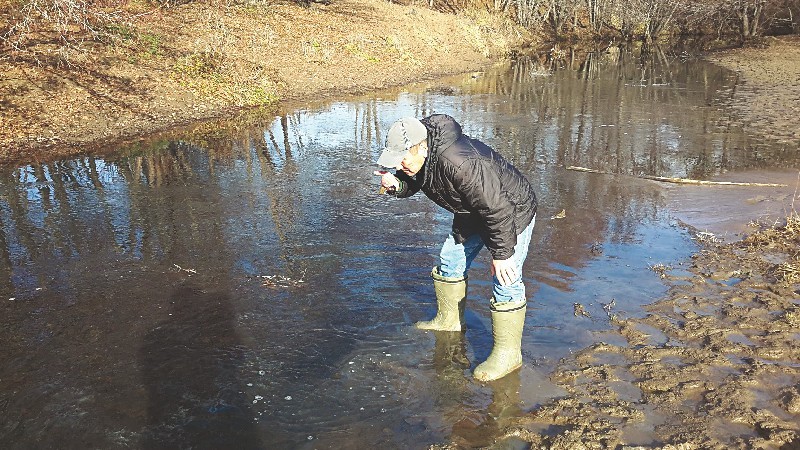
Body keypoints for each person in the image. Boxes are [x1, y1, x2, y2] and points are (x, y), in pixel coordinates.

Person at [374, 114, 537, 382]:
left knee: (506, 278)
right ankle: (449, 320)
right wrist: (397, 185)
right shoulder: (420, 157)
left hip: (512, 212)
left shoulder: (460, 163)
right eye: (396, 160)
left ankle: (509, 355)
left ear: (423, 147)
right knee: (449, 259)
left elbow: (498, 209)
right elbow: (414, 181)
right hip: (473, 211)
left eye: (403, 158)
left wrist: (503, 255)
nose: (400, 165)